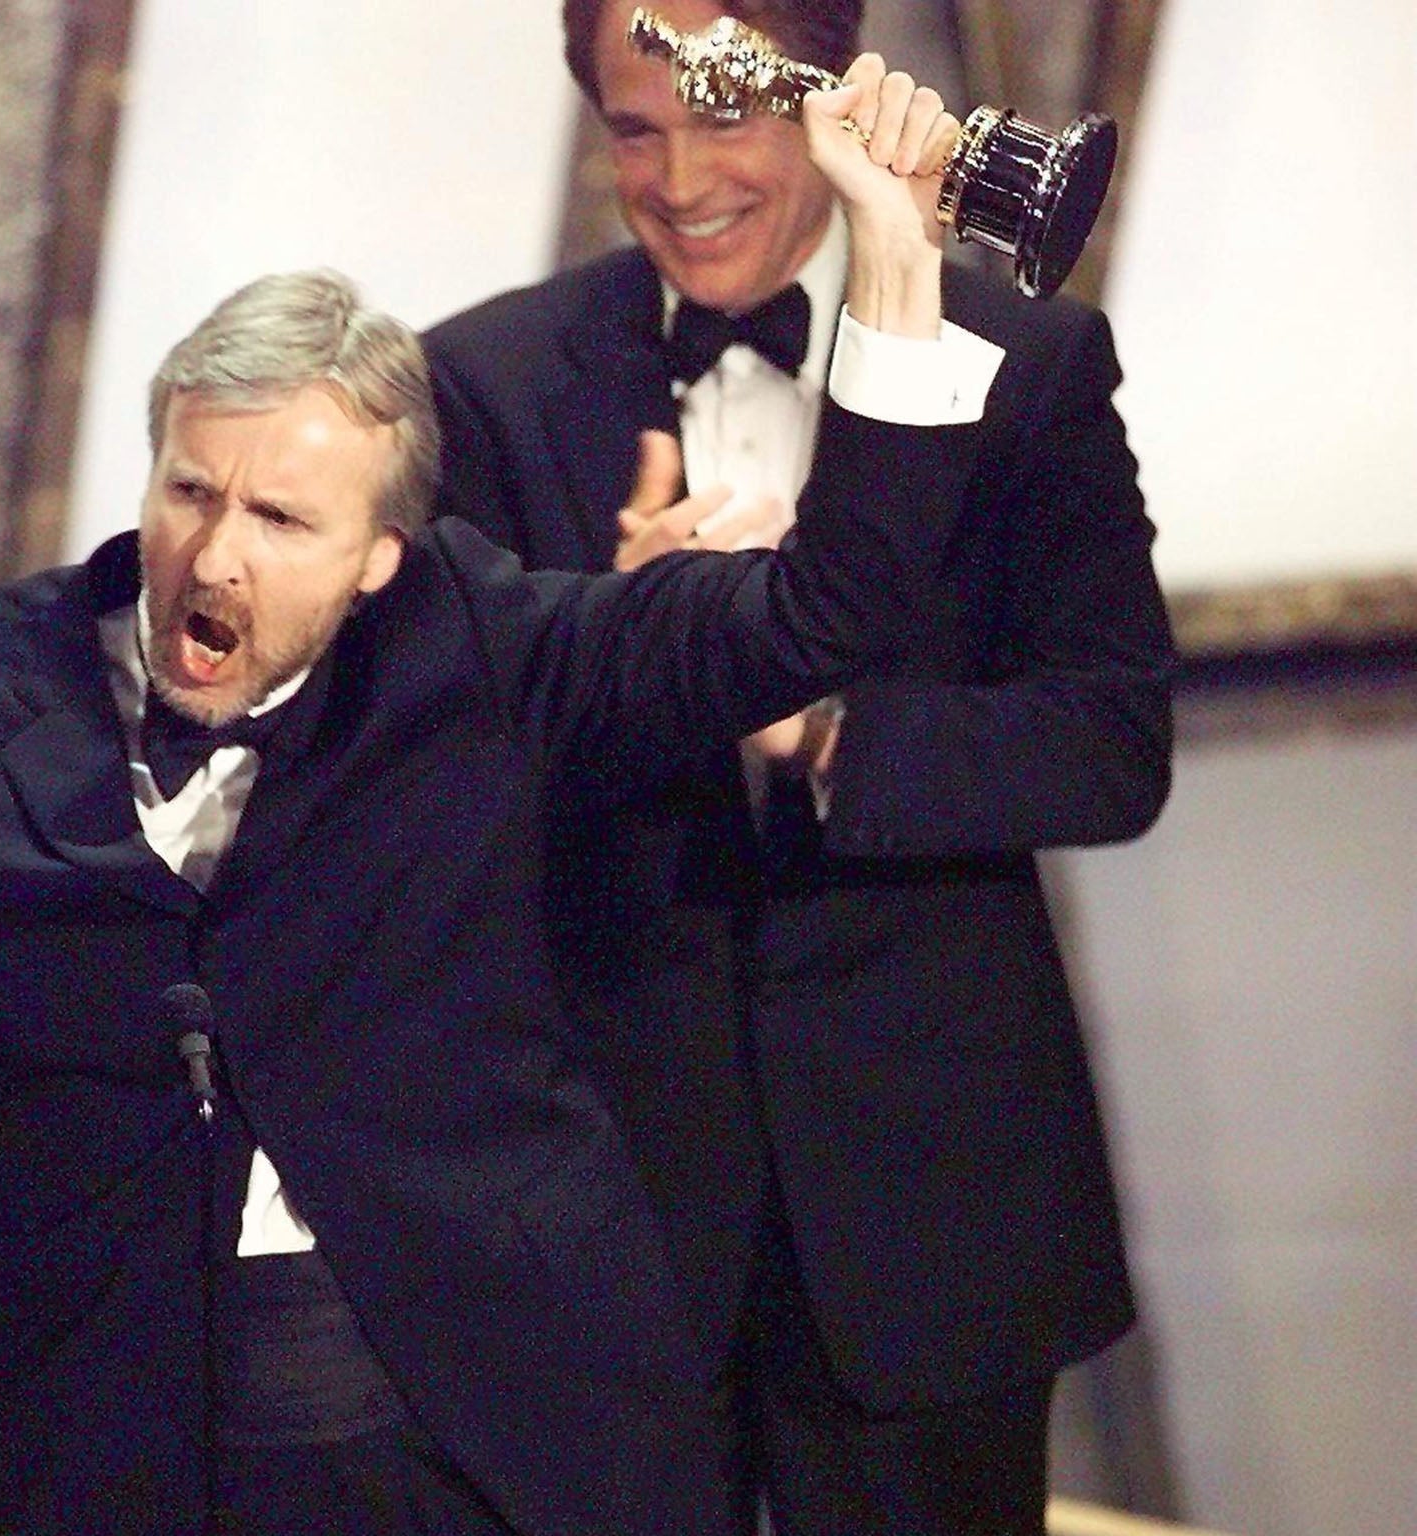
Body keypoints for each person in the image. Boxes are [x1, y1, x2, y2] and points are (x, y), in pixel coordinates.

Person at [0, 68, 975, 1536]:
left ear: (380, 561)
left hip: (494, 1426)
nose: (216, 557)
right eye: (190, 491)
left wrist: (895, 258)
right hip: (104, 1441)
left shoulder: (486, 650)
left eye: (282, 518)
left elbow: (830, 610)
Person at [422, 3, 1177, 1532]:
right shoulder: (485, 384)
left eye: (724, 121)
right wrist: (632, 660)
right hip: (617, 1216)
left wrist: (817, 728)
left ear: (832, 103)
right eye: (636, 128)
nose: (681, 178)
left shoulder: (1025, 366)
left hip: (929, 1204)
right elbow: (451, 791)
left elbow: (1110, 746)